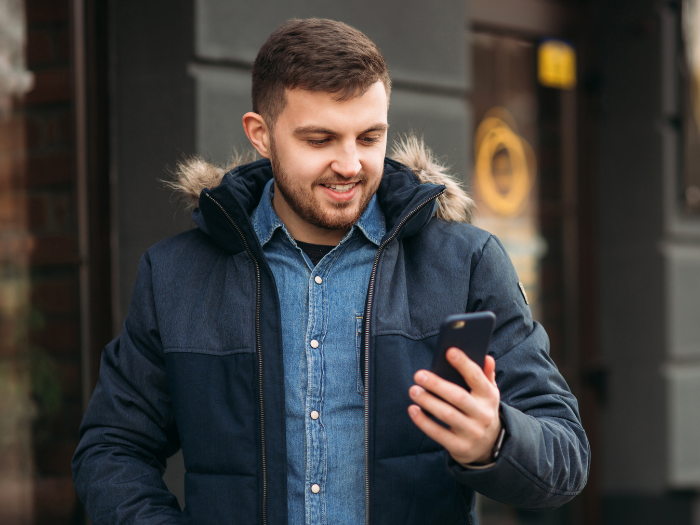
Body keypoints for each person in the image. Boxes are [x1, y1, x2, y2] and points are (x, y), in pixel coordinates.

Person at [72, 18, 589, 525]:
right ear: (261, 134)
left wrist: (493, 440)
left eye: (369, 137)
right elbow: (111, 450)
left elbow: (565, 458)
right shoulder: (176, 275)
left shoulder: (465, 263)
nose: (350, 164)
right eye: (320, 140)